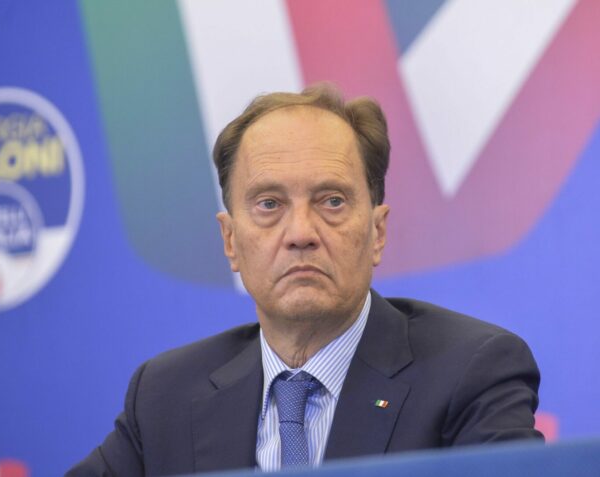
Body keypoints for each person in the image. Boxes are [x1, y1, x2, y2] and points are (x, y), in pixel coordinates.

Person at [67, 83, 542, 476]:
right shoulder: (165, 395)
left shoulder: (470, 372)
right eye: (269, 204)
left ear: (377, 232)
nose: (300, 233)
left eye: (331, 201)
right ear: (230, 241)